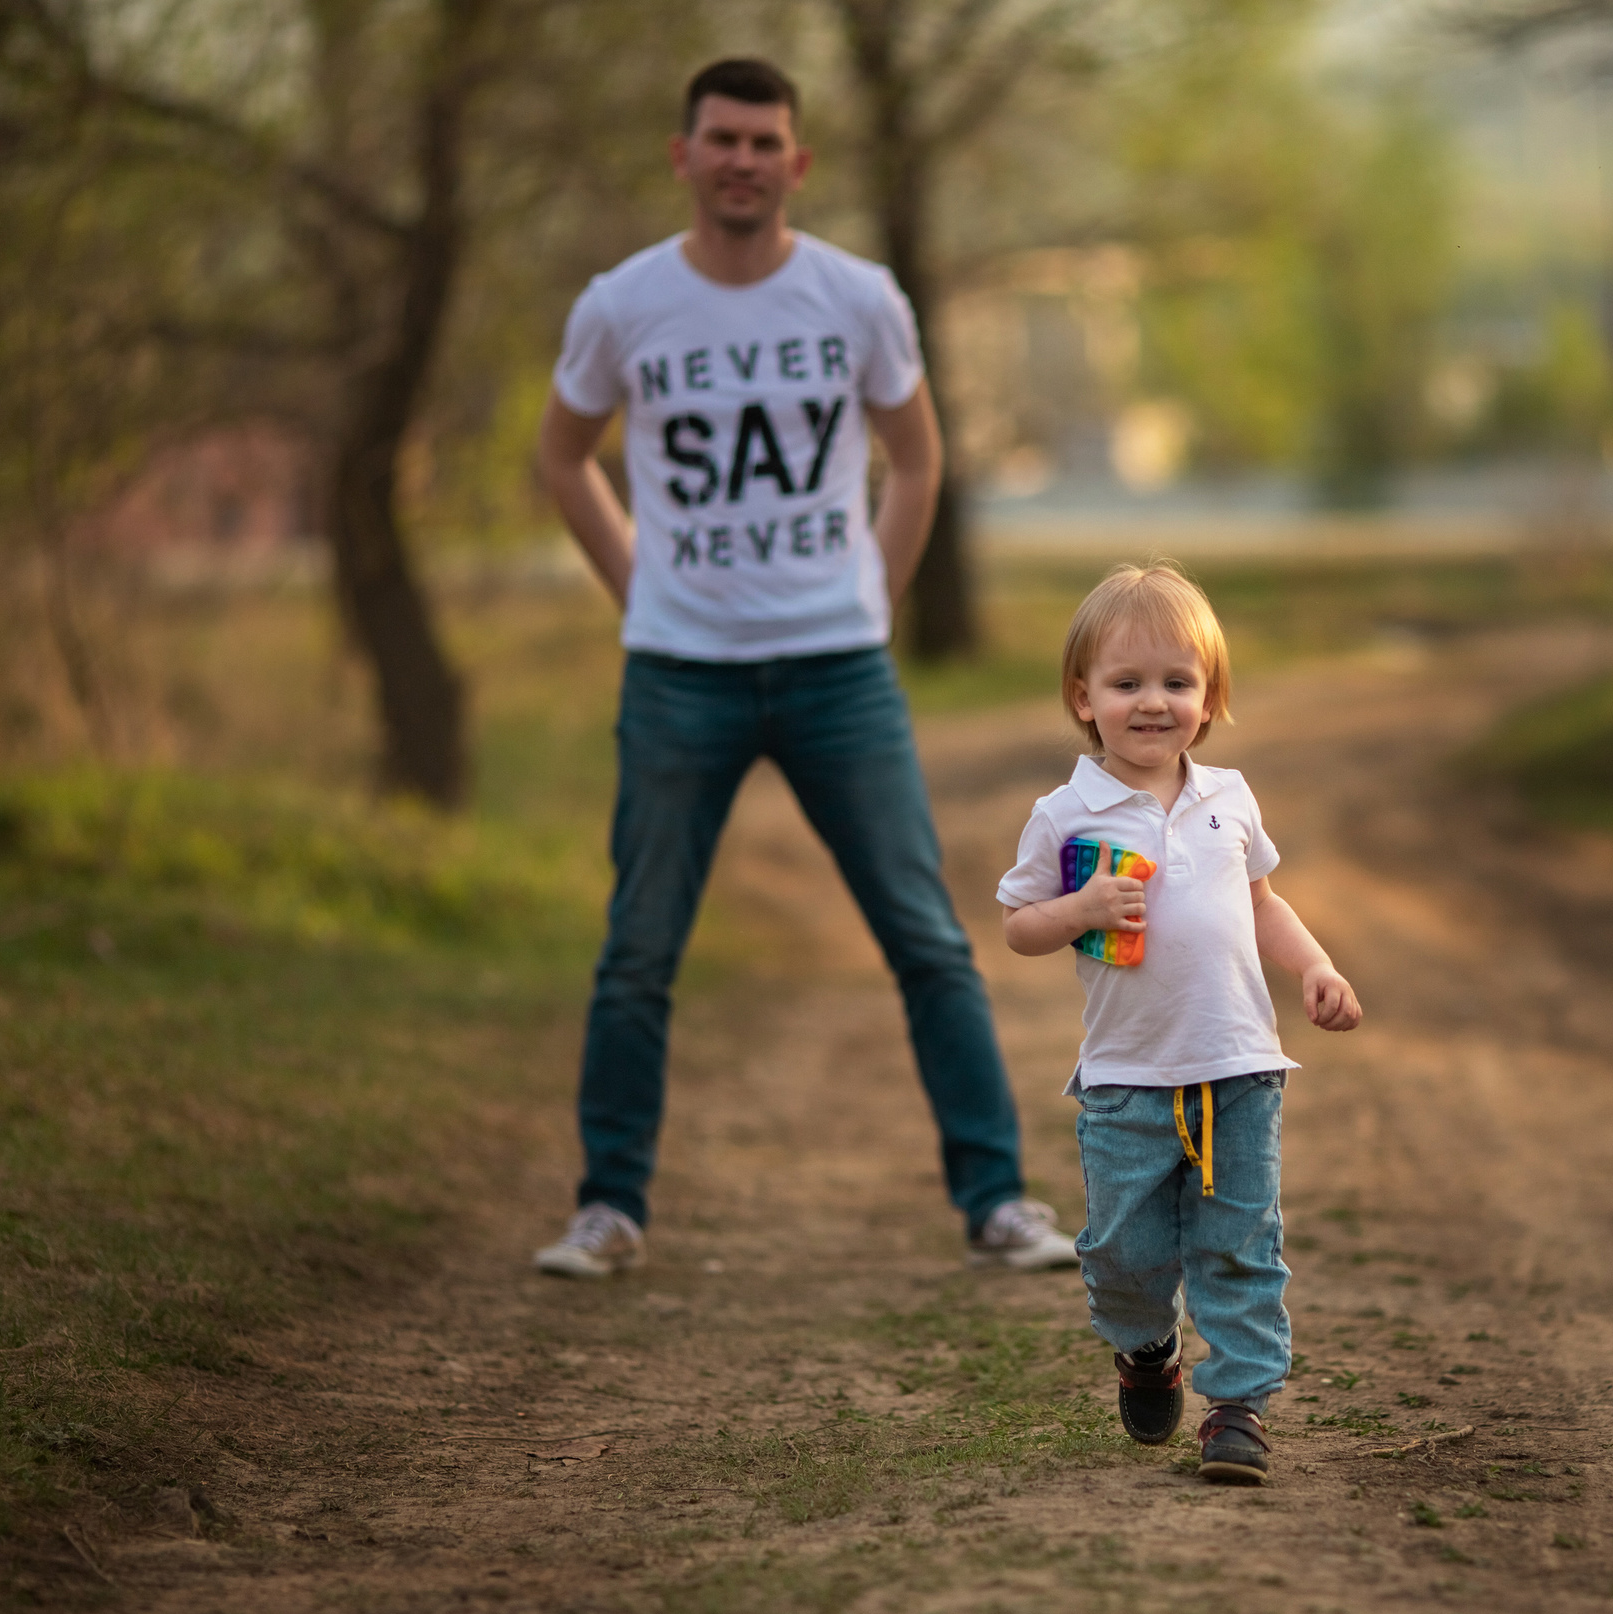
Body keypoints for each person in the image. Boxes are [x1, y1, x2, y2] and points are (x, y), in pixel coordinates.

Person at [529, 58, 1076, 1278]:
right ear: (682, 156)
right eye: (720, 138)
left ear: (796, 163)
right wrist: (642, 590)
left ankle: (996, 1200)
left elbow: (918, 462)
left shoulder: (858, 297)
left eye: (764, 140)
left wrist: (871, 603)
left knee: (925, 936)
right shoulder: (621, 304)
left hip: (836, 670)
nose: (741, 159)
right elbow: (563, 459)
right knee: (638, 948)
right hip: (681, 672)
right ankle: (608, 1209)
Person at [996, 563, 1362, 1485]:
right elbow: (1019, 927)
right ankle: (1146, 1346)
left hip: (1238, 1066)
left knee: (1239, 1242)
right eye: (1127, 683)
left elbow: (1264, 902)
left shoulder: (1228, 797)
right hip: (1126, 1077)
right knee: (1126, 1249)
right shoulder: (1065, 812)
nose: (1151, 703)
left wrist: (1316, 967)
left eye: (1176, 682)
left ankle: (1238, 1406)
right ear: (1084, 697)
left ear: (1209, 697)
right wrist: (1080, 907)